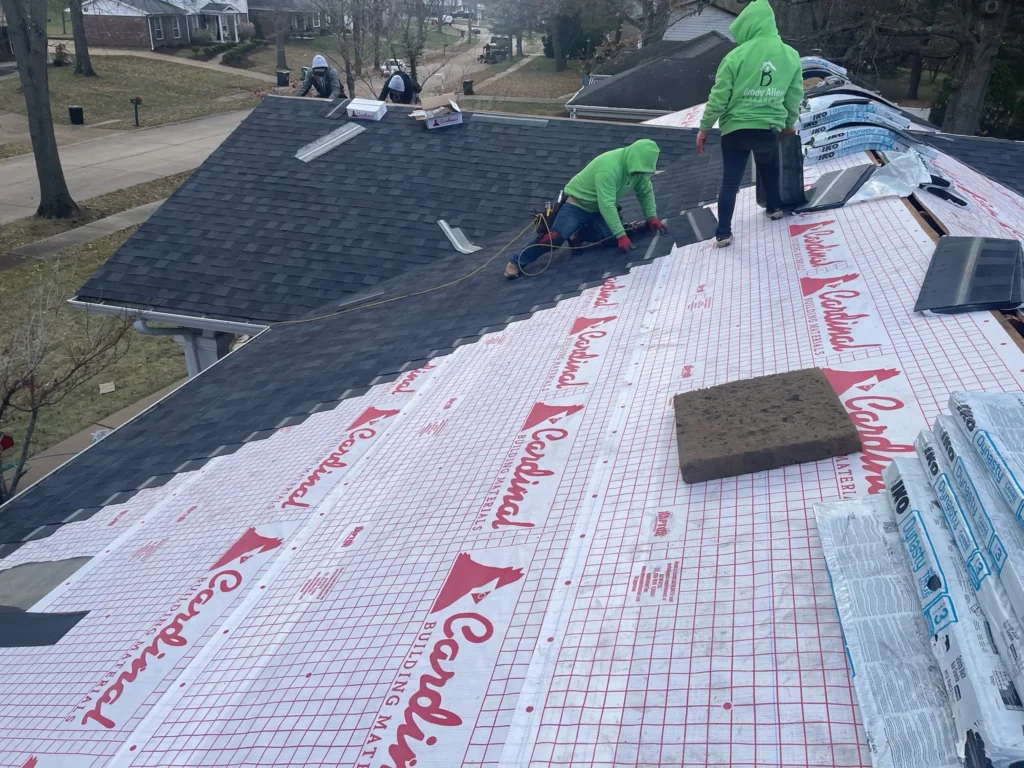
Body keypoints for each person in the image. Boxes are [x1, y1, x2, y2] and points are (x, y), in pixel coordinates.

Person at [695, 0, 802, 248]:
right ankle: (774, 208)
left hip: (735, 131)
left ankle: (723, 233)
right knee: (769, 164)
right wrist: (788, 123)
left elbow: (719, 98)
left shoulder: (735, 57)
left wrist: (704, 127)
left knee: (730, 181)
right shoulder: (791, 55)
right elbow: (794, 95)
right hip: (768, 129)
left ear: (750, 25)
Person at [505, 139, 668, 279]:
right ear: (633, 159)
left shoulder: (637, 172)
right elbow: (606, 204)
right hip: (577, 204)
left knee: (610, 238)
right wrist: (621, 235)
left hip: (598, 210)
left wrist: (651, 217)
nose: (639, 173)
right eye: (638, 169)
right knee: (554, 238)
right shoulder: (610, 167)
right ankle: (516, 262)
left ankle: (579, 232)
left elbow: (645, 193)